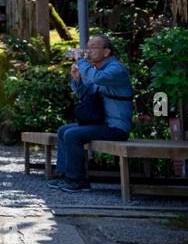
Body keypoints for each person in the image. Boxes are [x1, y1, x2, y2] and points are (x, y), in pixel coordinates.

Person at [52, 34, 133, 192]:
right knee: (63, 130)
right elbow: (86, 94)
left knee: (73, 135)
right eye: (87, 47)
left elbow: (97, 79)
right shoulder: (98, 70)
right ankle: (66, 175)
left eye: (93, 47)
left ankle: (77, 181)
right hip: (103, 124)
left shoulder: (115, 69)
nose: (88, 51)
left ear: (106, 52)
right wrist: (77, 80)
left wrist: (81, 61)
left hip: (116, 127)